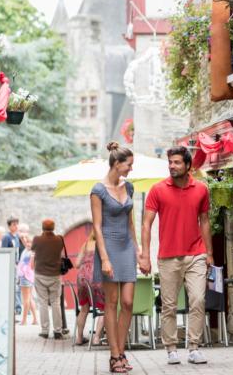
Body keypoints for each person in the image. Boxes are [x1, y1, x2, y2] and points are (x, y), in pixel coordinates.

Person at [139, 146, 213, 366]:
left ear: (188, 165)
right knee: (169, 305)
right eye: (170, 162)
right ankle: (171, 349)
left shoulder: (201, 189)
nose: (172, 166)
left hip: (196, 254)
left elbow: (205, 221)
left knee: (198, 300)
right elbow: (146, 224)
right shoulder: (158, 190)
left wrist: (209, 253)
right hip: (168, 256)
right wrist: (145, 255)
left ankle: (194, 347)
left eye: (177, 162)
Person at [91, 141, 138, 373]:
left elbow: (131, 223)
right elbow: (97, 227)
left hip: (127, 247)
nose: (131, 169)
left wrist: (139, 252)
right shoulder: (97, 190)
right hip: (107, 246)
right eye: (128, 165)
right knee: (111, 303)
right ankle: (114, 355)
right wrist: (105, 258)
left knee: (128, 302)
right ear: (117, 163)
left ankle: (122, 350)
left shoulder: (128, 187)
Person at [31, 219, 65, 339]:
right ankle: (57, 331)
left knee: (42, 303)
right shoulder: (59, 239)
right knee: (56, 303)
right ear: (54, 227)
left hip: (40, 274)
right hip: (55, 275)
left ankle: (45, 331)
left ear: (42, 227)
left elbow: (33, 249)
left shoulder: (37, 239)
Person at [75, 229, 105, 346]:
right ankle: (96, 338)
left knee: (84, 309)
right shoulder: (103, 243)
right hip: (96, 277)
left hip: (82, 278)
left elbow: (77, 264)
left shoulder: (86, 244)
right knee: (106, 308)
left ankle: (79, 338)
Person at [1, 216, 22, 316]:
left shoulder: (17, 237)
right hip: (10, 265)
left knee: (18, 287)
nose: (16, 226)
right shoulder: (6, 237)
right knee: (15, 288)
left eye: (17, 224)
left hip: (17, 265)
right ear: (9, 226)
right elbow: (3, 251)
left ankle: (18, 308)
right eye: (14, 224)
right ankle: (17, 309)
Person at [17, 237, 38, 326]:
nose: (28, 244)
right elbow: (23, 239)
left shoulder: (32, 253)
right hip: (25, 276)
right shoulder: (26, 250)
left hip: (26, 277)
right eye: (27, 242)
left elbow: (33, 267)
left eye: (30, 243)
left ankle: (24, 320)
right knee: (30, 298)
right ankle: (35, 319)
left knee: (26, 299)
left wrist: (33, 257)